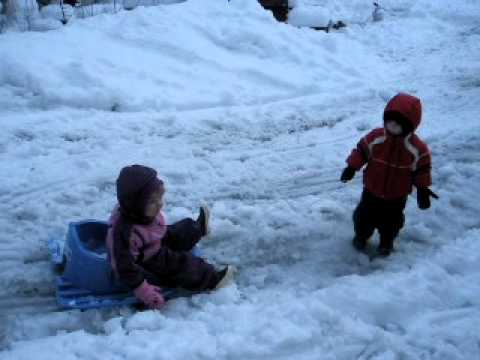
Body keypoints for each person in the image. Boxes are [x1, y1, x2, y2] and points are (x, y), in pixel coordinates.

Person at [106, 164, 234, 309]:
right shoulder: (124, 233)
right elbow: (124, 268)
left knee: (177, 232)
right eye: (152, 202)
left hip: (151, 241)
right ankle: (212, 279)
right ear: (136, 205)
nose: (160, 204)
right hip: (147, 261)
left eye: (160, 198)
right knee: (179, 264)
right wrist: (144, 291)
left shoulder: (135, 211)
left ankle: (198, 229)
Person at [341, 93, 438, 256]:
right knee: (364, 218)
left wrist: (422, 190)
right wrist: (351, 167)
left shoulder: (416, 148)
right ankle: (361, 236)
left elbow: (422, 169)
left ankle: (386, 242)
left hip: (396, 196)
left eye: (398, 123)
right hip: (371, 190)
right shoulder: (376, 137)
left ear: (409, 125)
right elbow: (362, 151)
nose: (392, 125)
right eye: (389, 120)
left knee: (391, 223)